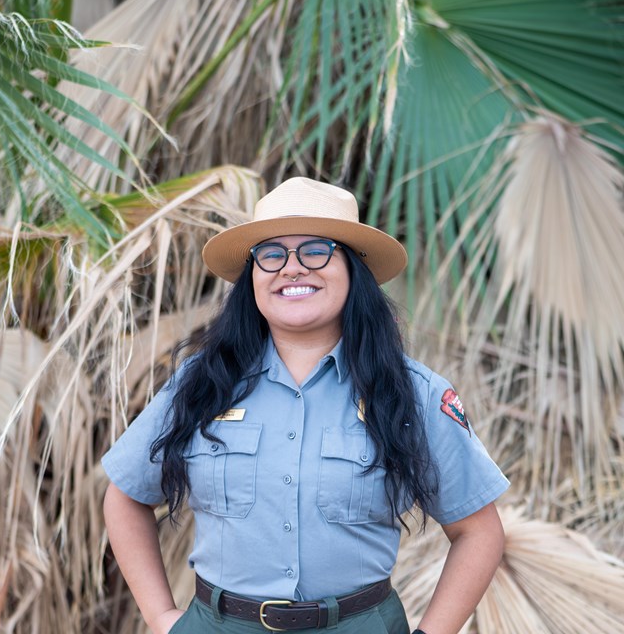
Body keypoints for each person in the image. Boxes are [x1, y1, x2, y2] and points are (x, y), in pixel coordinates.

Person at [102, 177, 509, 634]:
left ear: (354, 270)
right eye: (271, 254)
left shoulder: (413, 393)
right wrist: (160, 617)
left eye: (315, 250)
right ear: (252, 277)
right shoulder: (201, 385)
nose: (291, 268)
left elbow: (478, 531)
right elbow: (126, 496)